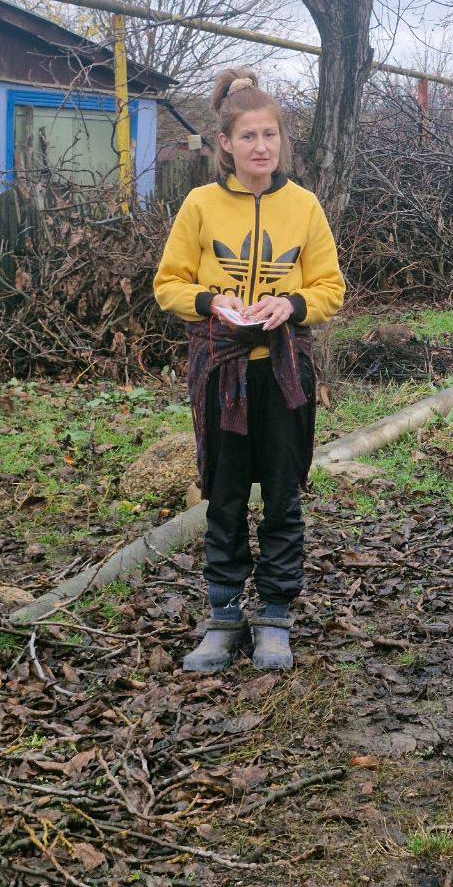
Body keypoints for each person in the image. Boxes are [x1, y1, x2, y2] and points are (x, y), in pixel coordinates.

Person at [154, 68, 345, 674]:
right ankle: (223, 615)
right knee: (227, 494)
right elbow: (168, 285)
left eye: (271, 135)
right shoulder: (201, 205)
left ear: (281, 141)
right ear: (226, 145)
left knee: (284, 496)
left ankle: (276, 617)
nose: (261, 147)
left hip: (284, 371)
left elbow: (330, 288)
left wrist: (290, 305)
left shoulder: (304, 206)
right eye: (248, 136)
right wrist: (214, 303)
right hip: (220, 372)